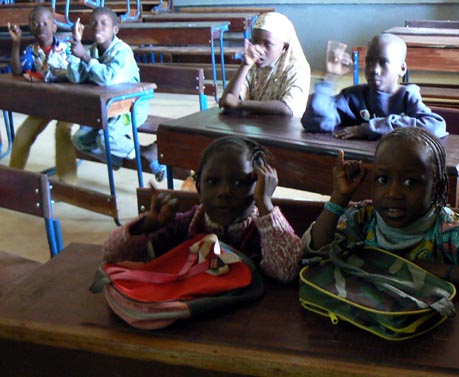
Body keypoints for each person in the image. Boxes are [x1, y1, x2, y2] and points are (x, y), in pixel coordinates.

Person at [303, 127, 459, 301]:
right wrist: (338, 199)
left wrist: (427, 271)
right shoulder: (364, 217)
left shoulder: (449, 231)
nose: (393, 193)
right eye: (383, 179)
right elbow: (314, 252)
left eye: (410, 182)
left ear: (437, 188)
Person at [103, 136, 304, 283]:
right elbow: (113, 256)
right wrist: (146, 226)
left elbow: (287, 270)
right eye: (212, 181)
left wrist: (266, 205)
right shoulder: (185, 226)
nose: (224, 191)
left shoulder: (265, 233)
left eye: (238, 182)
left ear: (258, 185)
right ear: (199, 187)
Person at [67, 7, 165, 181]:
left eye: (104, 24)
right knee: (80, 140)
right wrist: (77, 50)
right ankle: (129, 157)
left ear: (115, 30)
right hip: (107, 108)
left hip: (132, 108)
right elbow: (76, 78)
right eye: (94, 24)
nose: (98, 27)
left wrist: (86, 58)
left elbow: (109, 79)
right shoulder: (91, 50)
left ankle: (146, 153)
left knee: (106, 139)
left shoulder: (122, 52)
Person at [301, 33, 447, 140]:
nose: (374, 69)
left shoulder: (407, 96)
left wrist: (368, 128)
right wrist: (330, 77)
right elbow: (316, 122)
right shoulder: (354, 96)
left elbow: (435, 126)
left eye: (383, 63)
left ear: (402, 69)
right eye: (369, 62)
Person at [8, 6, 78, 185]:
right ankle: (12, 180)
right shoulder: (31, 51)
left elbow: (78, 74)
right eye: (36, 23)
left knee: (63, 131)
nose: (41, 27)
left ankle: (68, 183)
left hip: (72, 104)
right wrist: (16, 43)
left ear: (54, 27)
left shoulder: (68, 48)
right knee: (23, 133)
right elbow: (17, 71)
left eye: (45, 23)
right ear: (30, 27)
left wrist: (44, 79)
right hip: (46, 104)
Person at [218, 11, 311, 118]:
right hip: (256, 129)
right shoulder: (253, 64)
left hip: (283, 131)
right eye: (255, 42)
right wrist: (245, 65)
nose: (259, 49)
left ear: (284, 47)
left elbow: (287, 109)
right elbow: (228, 100)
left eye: (268, 44)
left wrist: (240, 104)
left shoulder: (297, 68)